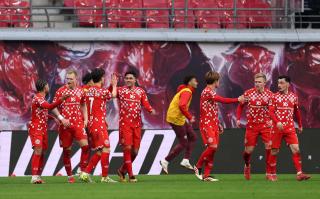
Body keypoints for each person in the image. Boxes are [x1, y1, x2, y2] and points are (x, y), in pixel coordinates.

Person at [194, 71, 245, 182]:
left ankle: (206, 175)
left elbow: (211, 110)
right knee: (212, 147)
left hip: (213, 124)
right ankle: (197, 166)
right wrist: (237, 99)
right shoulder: (207, 91)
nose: (219, 82)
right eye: (218, 80)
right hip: (206, 124)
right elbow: (222, 100)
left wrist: (218, 122)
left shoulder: (211, 92)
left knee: (213, 150)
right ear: (215, 81)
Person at [114, 71, 156, 182]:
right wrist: (113, 85)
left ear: (135, 80)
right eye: (126, 78)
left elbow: (145, 103)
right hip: (125, 124)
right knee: (127, 148)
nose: (128, 80)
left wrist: (150, 110)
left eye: (130, 78)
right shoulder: (120, 90)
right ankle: (131, 175)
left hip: (137, 124)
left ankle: (122, 170)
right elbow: (111, 94)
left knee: (135, 152)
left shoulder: (140, 91)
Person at [268, 75, 311, 181]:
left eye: (282, 83)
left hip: (289, 127)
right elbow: (271, 112)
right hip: (277, 128)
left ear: (288, 84)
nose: (279, 85)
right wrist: (277, 122)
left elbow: (296, 112)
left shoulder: (293, 97)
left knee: (296, 149)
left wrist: (300, 124)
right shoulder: (274, 97)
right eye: (278, 83)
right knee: (274, 151)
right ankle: (272, 173)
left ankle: (299, 173)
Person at [80, 68, 118, 183]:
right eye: (103, 77)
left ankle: (86, 173)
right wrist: (114, 85)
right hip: (98, 124)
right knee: (106, 148)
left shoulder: (88, 91)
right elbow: (113, 95)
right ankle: (104, 177)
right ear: (102, 78)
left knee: (100, 150)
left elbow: (101, 98)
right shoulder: (101, 91)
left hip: (91, 124)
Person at [52, 69, 89, 183]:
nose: (68, 81)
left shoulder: (81, 91)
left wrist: (86, 118)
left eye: (71, 79)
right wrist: (61, 118)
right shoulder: (60, 91)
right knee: (67, 151)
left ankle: (82, 172)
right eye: (67, 79)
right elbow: (53, 107)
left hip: (78, 123)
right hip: (65, 125)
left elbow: (83, 105)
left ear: (76, 79)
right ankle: (70, 176)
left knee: (85, 146)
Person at [28, 79, 69, 184]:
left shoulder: (42, 98)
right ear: (44, 87)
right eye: (47, 85)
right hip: (36, 128)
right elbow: (49, 107)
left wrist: (52, 118)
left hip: (42, 128)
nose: (48, 87)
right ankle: (34, 177)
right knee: (38, 150)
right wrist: (61, 99)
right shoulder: (38, 98)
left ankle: (38, 176)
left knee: (41, 152)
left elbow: (42, 111)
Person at [236, 73, 274, 180]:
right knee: (248, 151)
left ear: (264, 83)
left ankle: (268, 172)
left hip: (265, 125)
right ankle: (247, 165)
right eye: (256, 82)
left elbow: (273, 110)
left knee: (269, 148)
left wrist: (272, 120)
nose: (257, 84)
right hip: (252, 126)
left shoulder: (270, 95)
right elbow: (240, 107)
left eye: (259, 82)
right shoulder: (248, 93)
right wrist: (238, 119)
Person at [160, 75, 198, 174]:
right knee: (183, 142)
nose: (197, 82)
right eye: (195, 81)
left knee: (193, 137)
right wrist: (190, 117)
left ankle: (185, 160)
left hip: (179, 117)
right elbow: (182, 105)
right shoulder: (187, 91)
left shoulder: (184, 90)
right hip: (175, 118)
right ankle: (165, 161)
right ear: (189, 82)